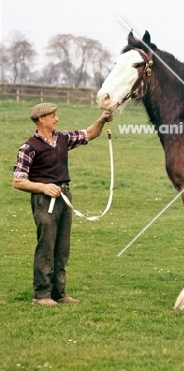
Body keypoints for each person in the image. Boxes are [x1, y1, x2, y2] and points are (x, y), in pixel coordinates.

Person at [13, 102, 113, 307]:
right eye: (53, 116)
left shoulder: (62, 138)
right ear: (41, 120)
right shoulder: (29, 147)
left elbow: (89, 134)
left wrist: (102, 120)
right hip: (44, 201)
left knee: (62, 247)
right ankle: (41, 295)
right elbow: (18, 181)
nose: (57, 119)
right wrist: (43, 187)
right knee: (46, 246)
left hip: (64, 197)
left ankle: (59, 293)